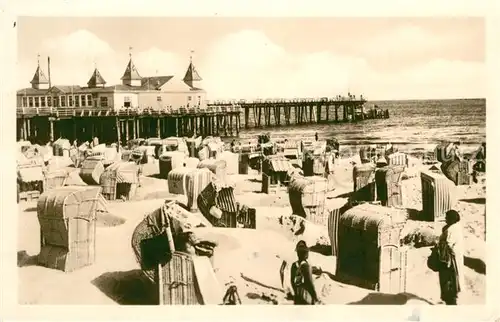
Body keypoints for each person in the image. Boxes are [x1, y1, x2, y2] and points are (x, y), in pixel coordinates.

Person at [437, 210, 465, 305]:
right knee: (454, 276)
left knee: (449, 278)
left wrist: (440, 246)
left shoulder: (452, 229)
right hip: (454, 256)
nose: (445, 219)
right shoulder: (456, 227)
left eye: (447, 218)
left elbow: (448, 244)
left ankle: (450, 298)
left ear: (452, 219)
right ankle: (451, 295)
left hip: (450, 258)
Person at [290, 240, 319, 305]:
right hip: (306, 297)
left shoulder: (294, 265)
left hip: (298, 296)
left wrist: (296, 292)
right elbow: (309, 282)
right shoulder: (305, 265)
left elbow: (292, 281)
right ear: (305, 253)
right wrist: (314, 295)